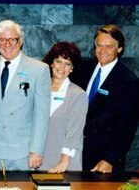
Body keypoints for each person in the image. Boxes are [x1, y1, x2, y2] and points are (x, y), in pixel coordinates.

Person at [0, 19, 50, 170]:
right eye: (2, 40)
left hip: (21, 153)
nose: (7, 44)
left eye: (12, 39)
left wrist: (36, 150)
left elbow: (41, 114)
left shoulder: (39, 69)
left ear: (21, 41)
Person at [70, 25, 139, 173]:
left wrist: (110, 159)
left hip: (103, 161)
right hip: (74, 154)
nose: (103, 51)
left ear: (119, 48)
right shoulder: (83, 69)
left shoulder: (128, 81)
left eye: (109, 46)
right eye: (99, 45)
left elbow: (126, 127)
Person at [40, 41, 87, 173]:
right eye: (58, 61)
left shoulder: (78, 95)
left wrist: (62, 163)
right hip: (38, 160)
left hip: (64, 164)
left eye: (67, 64)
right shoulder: (39, 88)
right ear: (51, 63)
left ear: (72, 68)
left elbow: (74, 134)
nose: (62, 67)